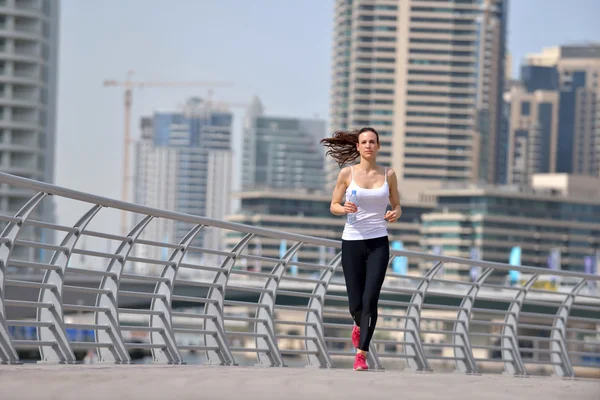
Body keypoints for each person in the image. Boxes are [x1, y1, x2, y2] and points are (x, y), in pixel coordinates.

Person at [320, 127, 401, 371]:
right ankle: (358, 325)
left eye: (372, 142)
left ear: (378, 146)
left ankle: (361, 354)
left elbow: (397, 205)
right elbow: (333, 204)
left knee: (370, 299)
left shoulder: (389, 174)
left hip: (378, 242)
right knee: (355, 303)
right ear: (357, 147)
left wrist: (394, 213)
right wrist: (342, 208)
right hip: (352, 241)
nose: (368, 145)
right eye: (363, 142)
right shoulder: (347, 174)